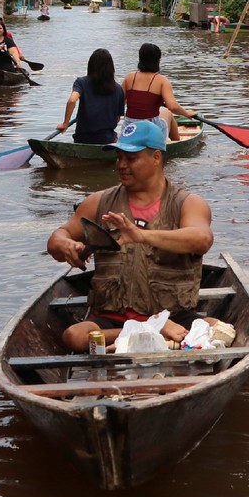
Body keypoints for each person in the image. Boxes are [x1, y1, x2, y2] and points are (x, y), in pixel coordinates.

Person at [45, 120, 215, 352]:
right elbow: (57, 237)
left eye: (131, 158)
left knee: (219, 330)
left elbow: (202, 239)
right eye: (118, 157)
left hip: (174, 316)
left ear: (156, 158)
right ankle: (150, 331)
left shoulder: (188, 203)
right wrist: (65, 245)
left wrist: (142, 236)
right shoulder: (99, 202)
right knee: (75, 336)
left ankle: (154, 329)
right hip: (113, 319)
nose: (121, 165)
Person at [120, 43, 196, 142]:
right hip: (151, 128)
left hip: (129, 126)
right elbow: (172, 106)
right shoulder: (162, 81)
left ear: (140, 58)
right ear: (158, 60)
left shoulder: (129, 77)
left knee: (163, 115)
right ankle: (176, 143)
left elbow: (121, 102)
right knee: (168, 113)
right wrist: (186, 113)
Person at [57, 48, 125, 145]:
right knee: (117, 138)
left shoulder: (81, 82)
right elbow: (117, 118)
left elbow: (72, 100)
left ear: (91, 65)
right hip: (106, 139)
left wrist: (65, 123)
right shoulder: (118, 89)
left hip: (82, 138)